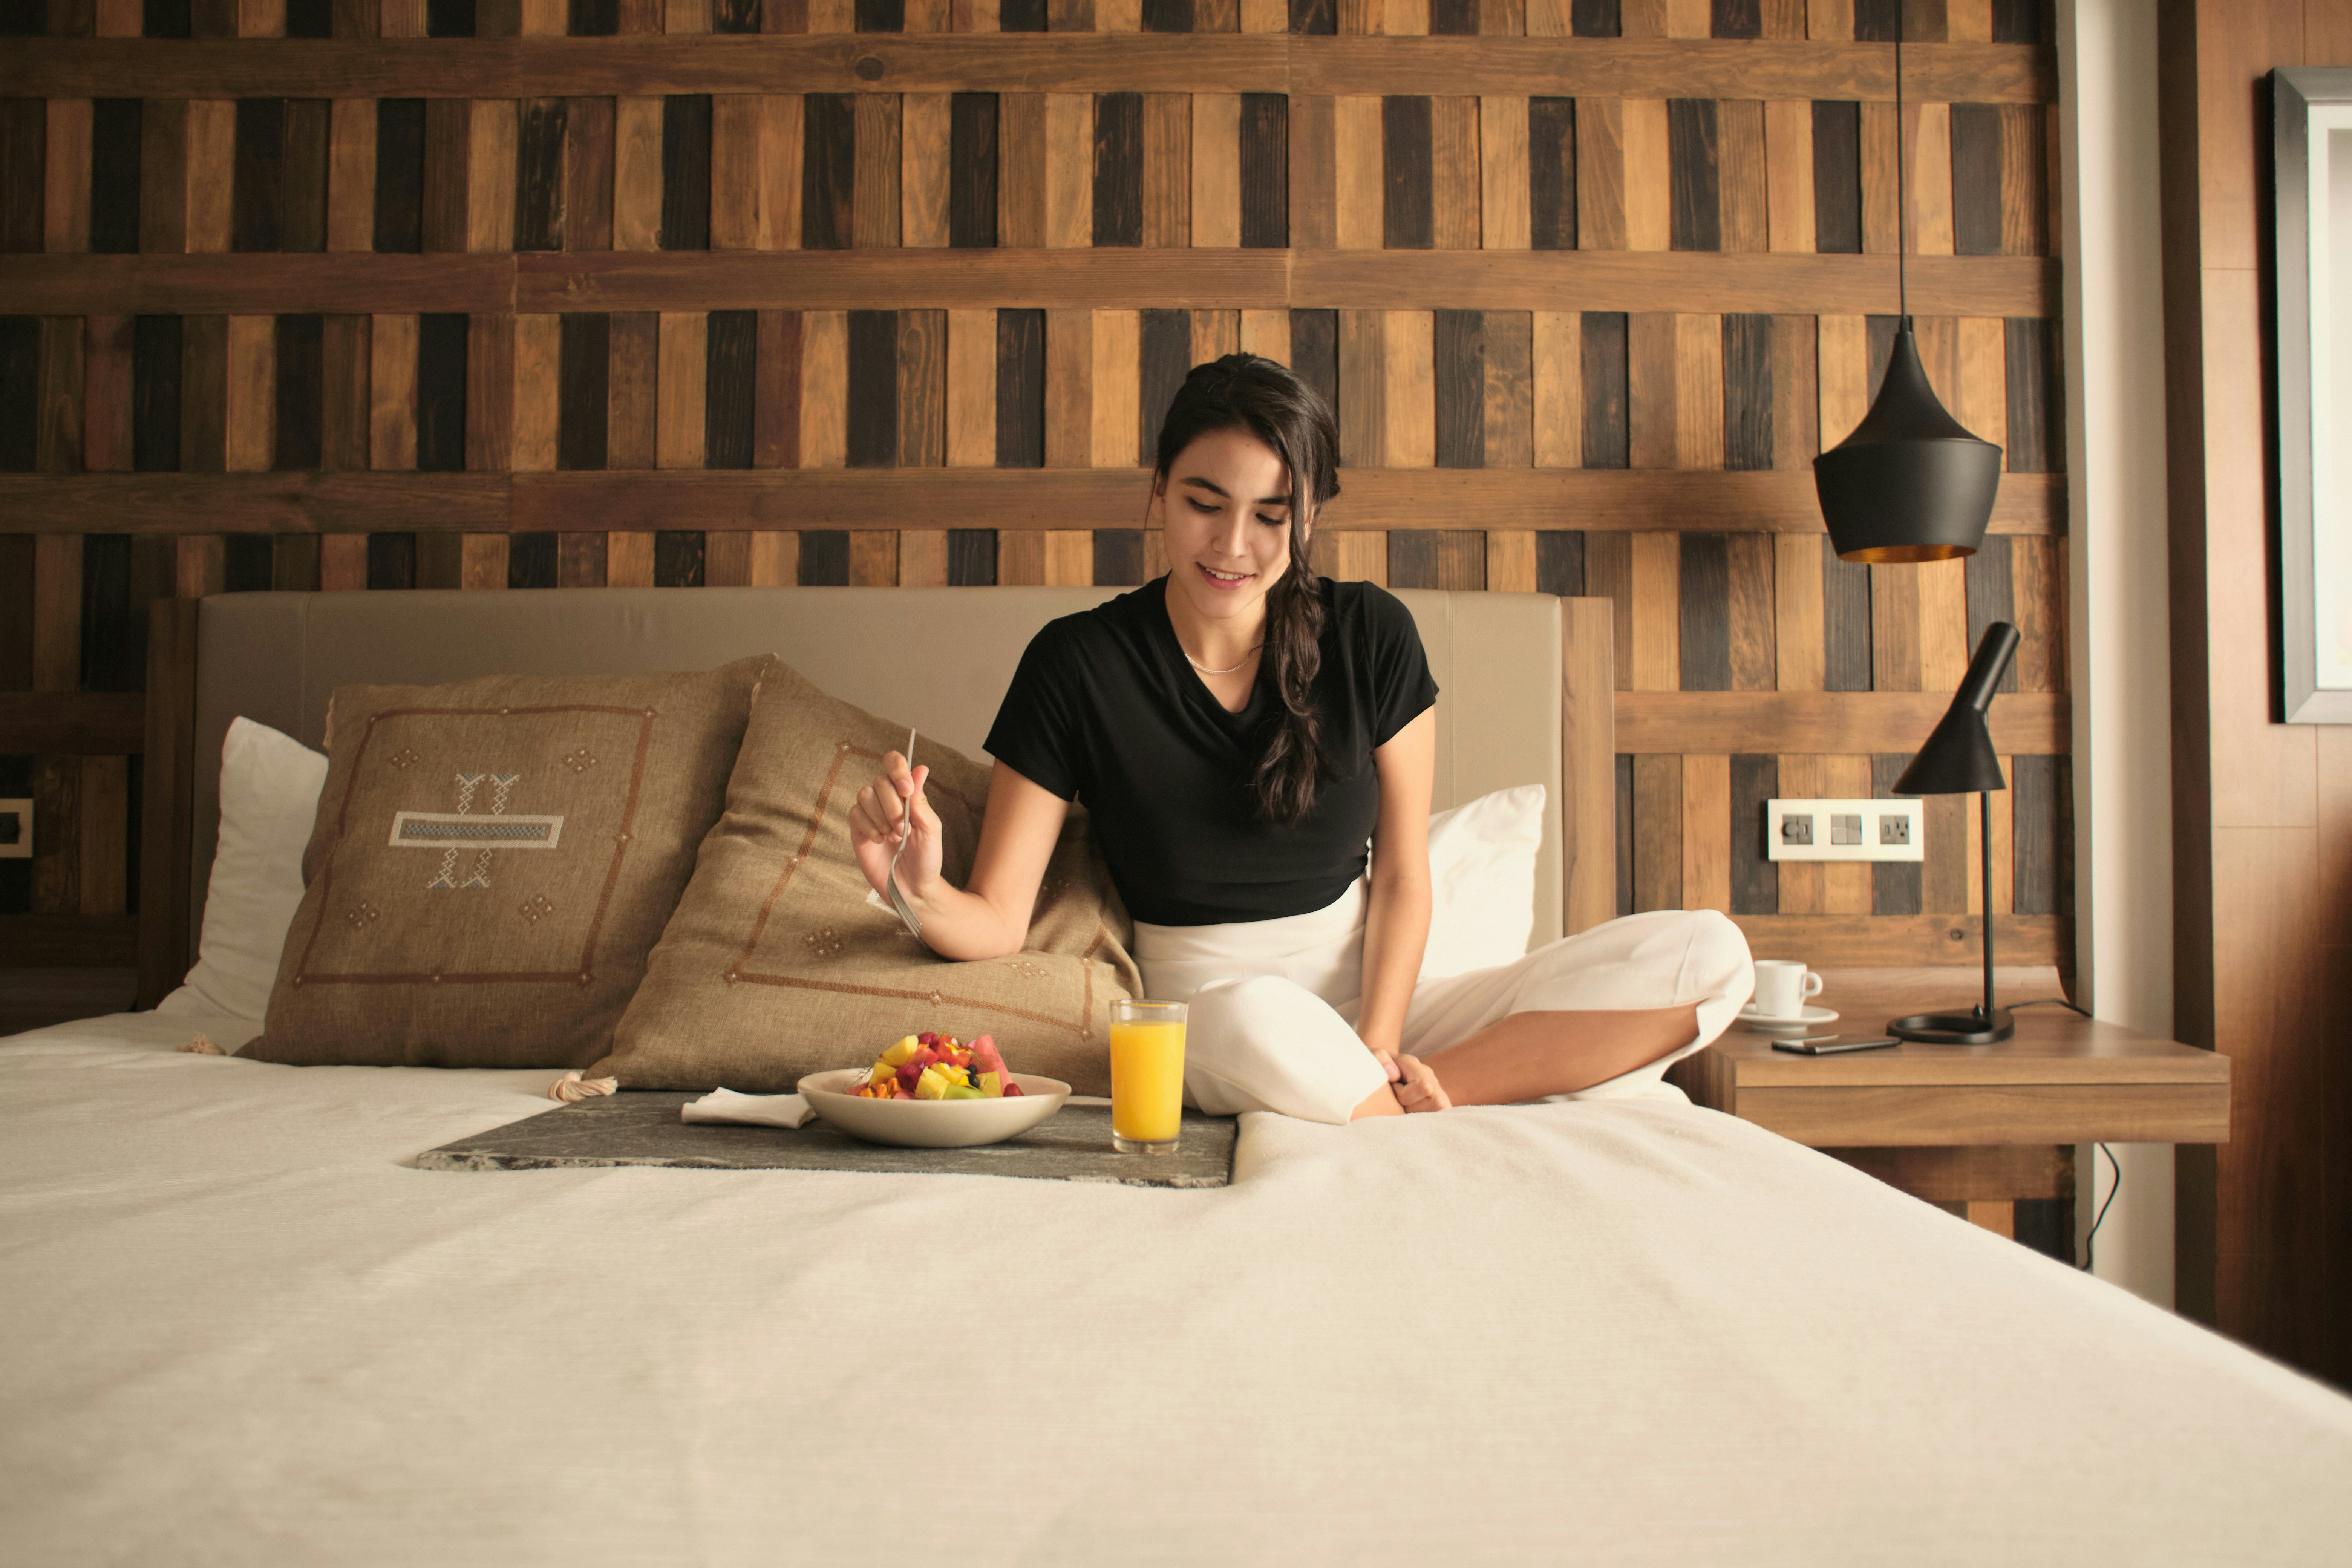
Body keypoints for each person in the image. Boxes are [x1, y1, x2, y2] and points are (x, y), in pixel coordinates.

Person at [847, 354, 1753, 1124]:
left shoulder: (1373, 634)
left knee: (1711, 955)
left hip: (1384, 1011)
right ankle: (1386, 1103)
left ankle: (1402, 1102)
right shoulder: (1077, 663)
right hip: (1219, 1015)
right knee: (1257, 1019)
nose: (1233, 544)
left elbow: (1401, 876)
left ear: (1307, 516)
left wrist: (1383, 1043)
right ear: (1159, 488)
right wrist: (916, 888)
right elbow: (1000, 918)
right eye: (1205, 502)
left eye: (1271, 517)